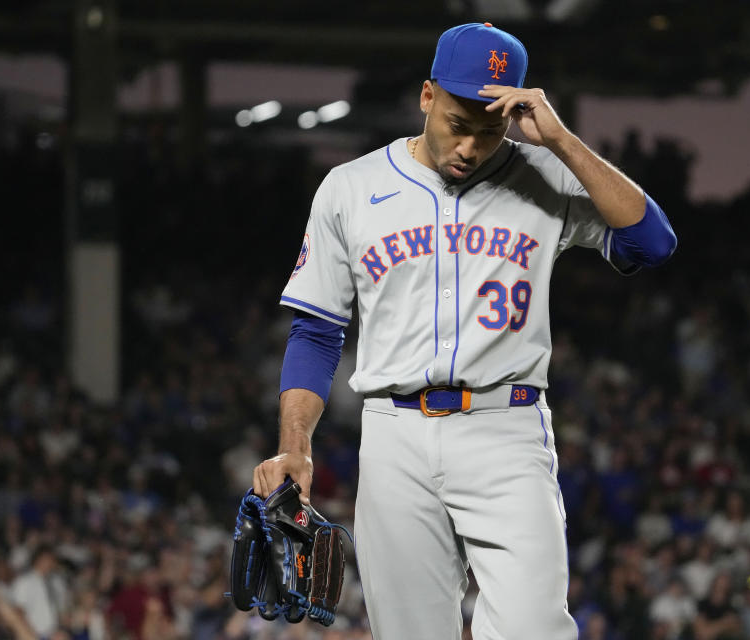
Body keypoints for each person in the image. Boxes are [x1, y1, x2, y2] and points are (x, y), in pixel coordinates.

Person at [252, 21, 676, 640]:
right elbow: (316, 333)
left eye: (490, 128)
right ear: (427, 97)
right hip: (396, 434)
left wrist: (559, 141)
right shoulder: (351, 187)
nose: (471, 146)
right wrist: (296, 445)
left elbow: (652, 243)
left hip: (507, 429)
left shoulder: (547, 175)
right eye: (458, 122)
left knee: (535, 630)